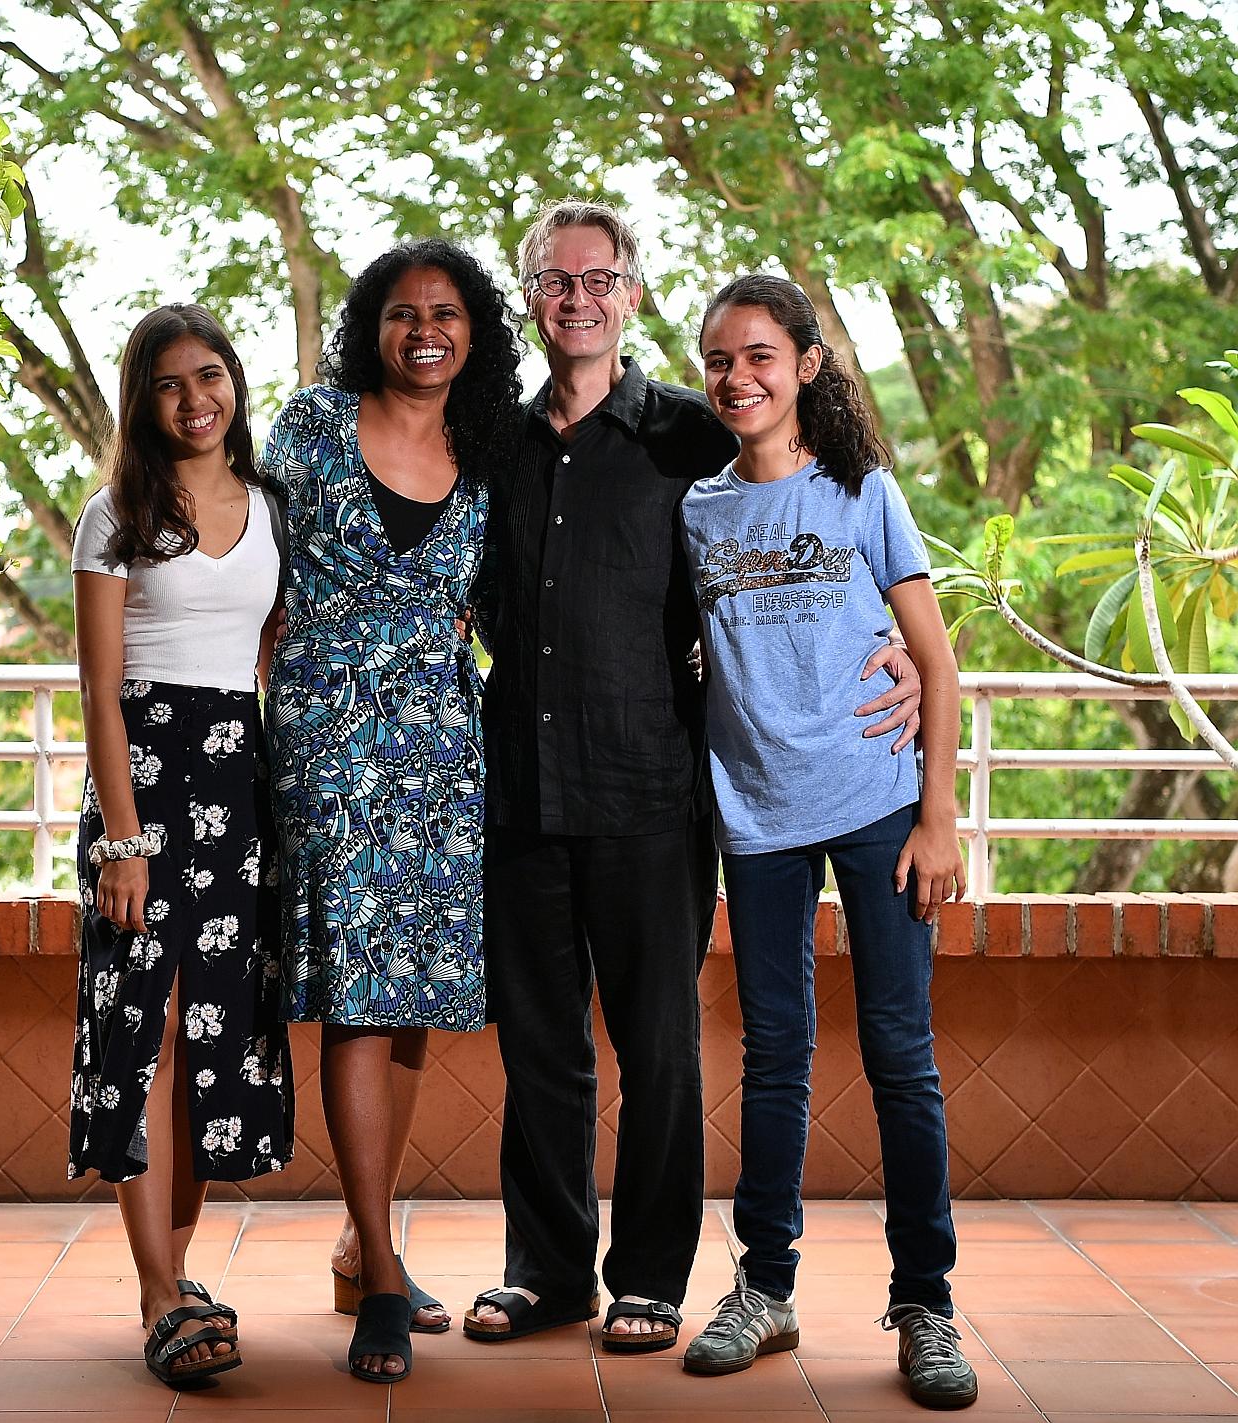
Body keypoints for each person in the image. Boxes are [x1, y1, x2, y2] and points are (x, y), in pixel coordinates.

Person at [466, 201, 922, 1355]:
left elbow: (822, 508)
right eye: (557, 281)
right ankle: (548, 1268)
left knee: (661, 1047)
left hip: (655, 793)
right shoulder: (495, 449)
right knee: (540, 1045)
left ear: (631, 295)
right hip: (521, 787)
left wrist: (915, 657)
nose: (579, 298)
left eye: (600, 278)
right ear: (533, 300)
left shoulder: (690, 439)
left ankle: (655, 1275)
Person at [676, 273, 976, 1410]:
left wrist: (937, 814)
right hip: (754, 819)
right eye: (717, 358)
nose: (736, 376)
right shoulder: (698, 510)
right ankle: (765, 1285)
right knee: (775, 1056)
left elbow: (933, 659)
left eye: (757, 354)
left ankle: (926, 1304)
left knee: (902, 1058)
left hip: (877, 806)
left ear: (805, 364)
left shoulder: (862, 491)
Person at [260, 239, 523, 1383]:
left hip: (437, 751)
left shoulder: (490, 444)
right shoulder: (312, 426)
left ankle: (363, 1242)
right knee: (359, 1001)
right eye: (406, 312)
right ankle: (377, 1276)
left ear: (474, 332)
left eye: (450, 313)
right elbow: (240, 556)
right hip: (325, 740)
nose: (428, 330)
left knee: (405, 998)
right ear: (373, 324)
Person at [69, 304, 293, 1390]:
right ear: (142, 400)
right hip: (145, 780)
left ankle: (178, 1273)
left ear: (235, 384)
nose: (197, 399)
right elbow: (100, 692)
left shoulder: (268, 509)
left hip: (237, 778)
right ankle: (159, 1291)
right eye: (171, 383)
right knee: (142, 1026)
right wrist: (122, 836)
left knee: (218, 1029)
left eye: (212, 376)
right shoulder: (115, 512)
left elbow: (268, 650)